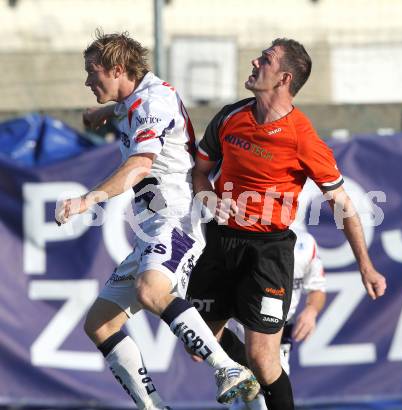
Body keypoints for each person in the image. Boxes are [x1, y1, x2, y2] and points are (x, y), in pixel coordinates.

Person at [54, 30, 259, 410]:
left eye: (91, 72)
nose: (87, 81)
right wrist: (103, 111)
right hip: (151, 229)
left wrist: (88, 199)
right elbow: (129, 107)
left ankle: (227, 368)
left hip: (177, 222)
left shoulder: (153, 102)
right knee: (100, 324)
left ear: (117, 69)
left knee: (152, 291)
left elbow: (139, 165)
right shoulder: (138, 98)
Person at [186, 37, 387, 410]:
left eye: (265, 60)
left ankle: (262, 383)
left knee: (264, 359)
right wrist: (208, 197)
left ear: (283, 78)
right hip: (218, 242)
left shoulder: (302, 138)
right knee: (197, 347)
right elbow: (198, 172)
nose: (254, 62)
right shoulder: (231, 116)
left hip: (268, 251)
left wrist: (366, 266)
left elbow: (342, 204)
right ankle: (248, 378)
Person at [226, 228, 326, 410]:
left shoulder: (306, 244)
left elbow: (317, 289)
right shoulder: (244, 238)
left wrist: (311, 310)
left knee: (267, 391)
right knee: (252, 394)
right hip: (245, 325)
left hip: (282, 329)